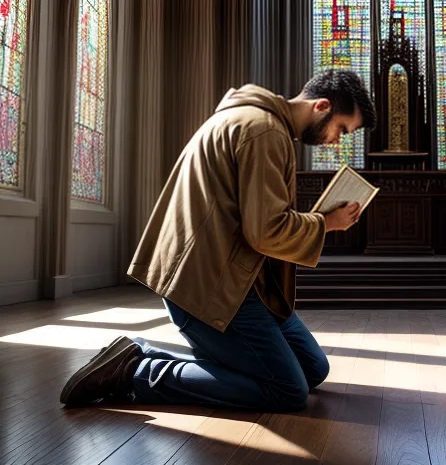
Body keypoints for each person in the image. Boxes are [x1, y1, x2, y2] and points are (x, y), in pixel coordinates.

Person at [59, 68, 376, 411]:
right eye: (341, 129)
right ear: (322, 106)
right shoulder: (265, 132)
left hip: (241, 280)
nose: (337, 140)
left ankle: (145, 355)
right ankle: (135, 371)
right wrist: (325, 223)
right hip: (210, 287)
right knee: (287, 390)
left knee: (314, 368)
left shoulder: (253, 119)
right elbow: (266, 231)